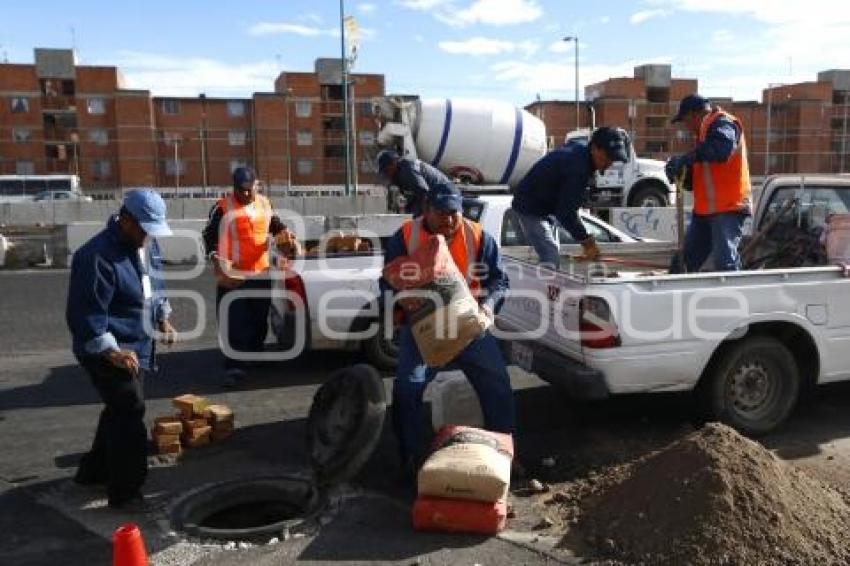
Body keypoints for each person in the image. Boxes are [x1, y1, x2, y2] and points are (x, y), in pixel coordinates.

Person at [380, 181, 515, 474]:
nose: (449, 219)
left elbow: (500, 281)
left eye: (454, 212)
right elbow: (387, 281)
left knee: (498, 384)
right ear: (426, 210)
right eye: (442, 212)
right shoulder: (405, 236)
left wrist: (489, 306)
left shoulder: (477, 235)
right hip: (424, 330)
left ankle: (503, 455)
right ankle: (411, 458)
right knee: (407, 389)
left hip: (468, 327)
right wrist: (397, 304)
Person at [66, 189, 176, 509]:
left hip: (137, 344)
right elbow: (84, 314)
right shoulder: (96, 256)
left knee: (120, 408)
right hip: (103, 347)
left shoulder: (145, 245)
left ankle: (93, 472)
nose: (147, 236)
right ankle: (126, 492)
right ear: (125, 219)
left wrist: (163, 317)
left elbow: (154, 284)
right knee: (130, 409)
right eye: (143, 228)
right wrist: (111, 350)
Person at [203, 166, 286, 386]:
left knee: (259, 318)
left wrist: (286, 236)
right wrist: (215, 257)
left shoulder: (265, 203)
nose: (247, 194)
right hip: (234, 276)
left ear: (256, 185)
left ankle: (255, 355)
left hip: (260, 272)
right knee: (235, 320)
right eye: (242, 190)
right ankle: (235, 365)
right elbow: (209, 235)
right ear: (234, 187)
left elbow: (276, 226)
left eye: (250, 189)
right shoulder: (222, 208)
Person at [511, 126, 631, 268]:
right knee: (550, 256)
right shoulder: (578, 168)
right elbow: (566, 213)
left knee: (554, 252)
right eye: (607, 157)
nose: (609, 163)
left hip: (545, 206)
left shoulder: (580, 153)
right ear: (594, 148)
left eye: (613, 159)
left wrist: (584, 238)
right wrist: (586, 241)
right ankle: (544, 286)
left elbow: (568, 208)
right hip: (530, 207)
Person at [665, 94, 752, 272]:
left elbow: (721, 150)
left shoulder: (722, 123)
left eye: (685, 120)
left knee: (724, 263)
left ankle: (732, 296)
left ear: (694, 115)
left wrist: (686, 160)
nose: (686, 127)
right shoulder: (705, 137)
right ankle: (677, 295)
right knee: (684, 262)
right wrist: (683, 173)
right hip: (706, 212)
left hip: (729, 208)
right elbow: (705, 175)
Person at [376, 149, 453, 216]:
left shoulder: (407, 171)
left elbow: (424, 193)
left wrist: (421, 216)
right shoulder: (397, 175)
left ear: (393, 163)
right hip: (436, 193)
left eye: (386, 170)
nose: (386, 174)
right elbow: (413, 197)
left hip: (445, 192)